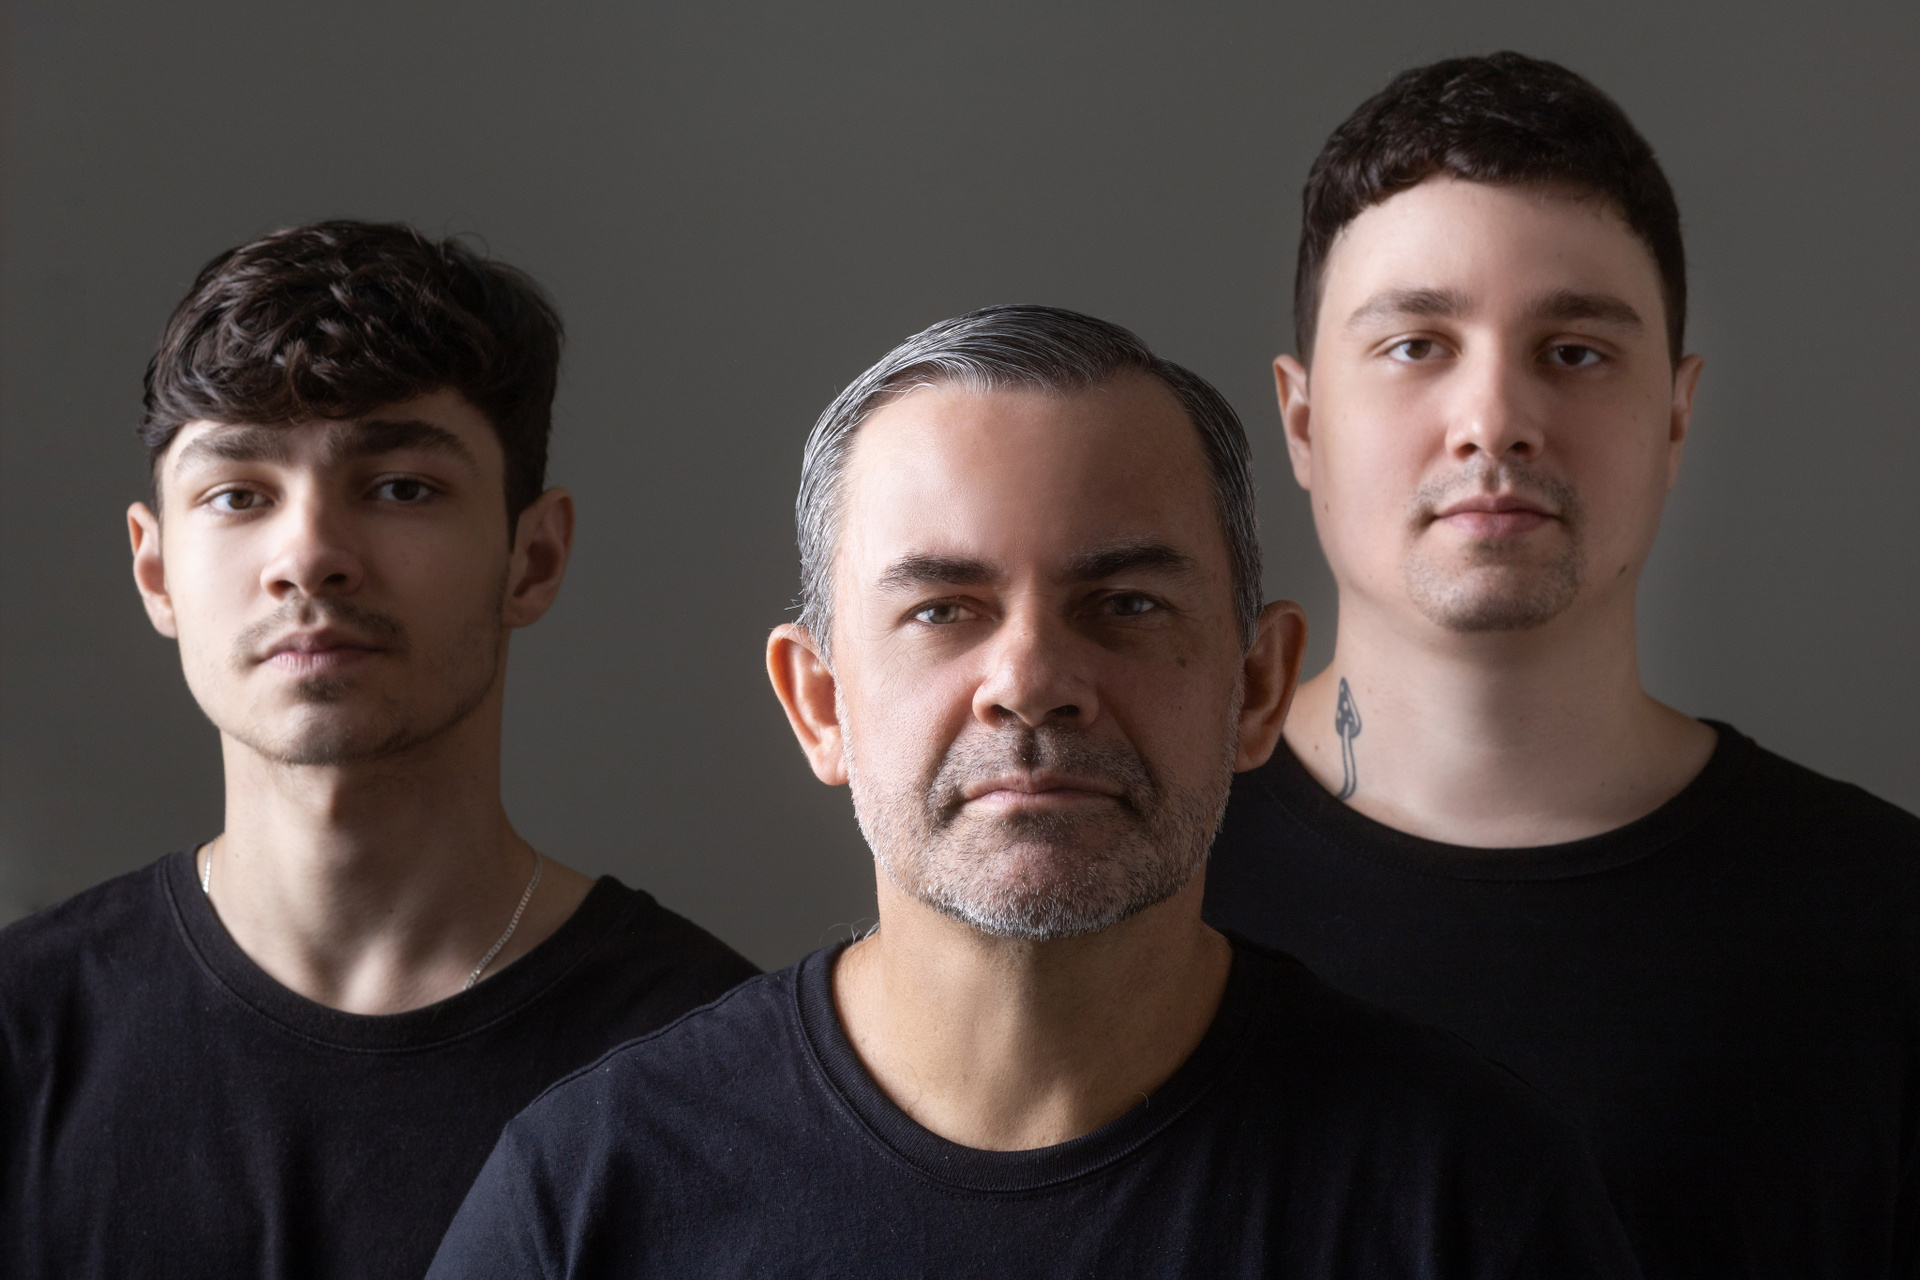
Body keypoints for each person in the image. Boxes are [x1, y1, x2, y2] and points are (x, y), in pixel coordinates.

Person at [429, 305, 1641, 1279]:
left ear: (1260, 685)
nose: (1031, 682)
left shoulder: (1468, 1193)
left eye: (1126, 604)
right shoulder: (591, 1193)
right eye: (942, 610)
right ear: (820, 703)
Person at [1204, 52, 1920, 1280]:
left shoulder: (1886, 922)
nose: (1495, 419)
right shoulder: (1143, 873)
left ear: (1677, 416)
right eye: (1416, 344)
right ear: (1304, 418)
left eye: (1576, 351)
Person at [0, 221, 757, 1279]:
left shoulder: (719, 1072)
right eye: (238, 494)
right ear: (156, 571)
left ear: (533, 559)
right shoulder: (23, 1033)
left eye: (401, 486)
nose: (310, 555)